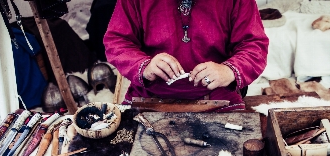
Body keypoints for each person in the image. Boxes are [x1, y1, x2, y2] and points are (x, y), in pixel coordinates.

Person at [103, 0, 268, 112]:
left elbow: (254, 45)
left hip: (217, 97)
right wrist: (144, 66)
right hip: (150, 97)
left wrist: (229, 70)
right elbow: (117, 41)